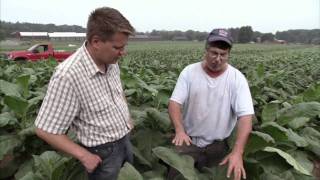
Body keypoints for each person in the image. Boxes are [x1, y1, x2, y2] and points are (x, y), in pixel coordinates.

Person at [35, 7, 135, 180]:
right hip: (102, 154)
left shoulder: (110, 61)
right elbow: (45, 129)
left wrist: (126, 117)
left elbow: (117, 92)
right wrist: (83, 155)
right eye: (117, 47)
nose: (122, 52)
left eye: (124, 46)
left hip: (124, 141)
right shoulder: (68, 75)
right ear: (96, 42)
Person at [168, 28, 254, 180]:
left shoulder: (237, 79)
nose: (218, 59)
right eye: (214, 53)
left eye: (223, 54)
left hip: (219, 146)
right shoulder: (189, 72)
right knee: (177, 176)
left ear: (228, 54)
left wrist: (237, 152)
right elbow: (175, 103)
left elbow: (246, 117)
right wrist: (179, 130)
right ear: (206, 50)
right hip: (188, 141)